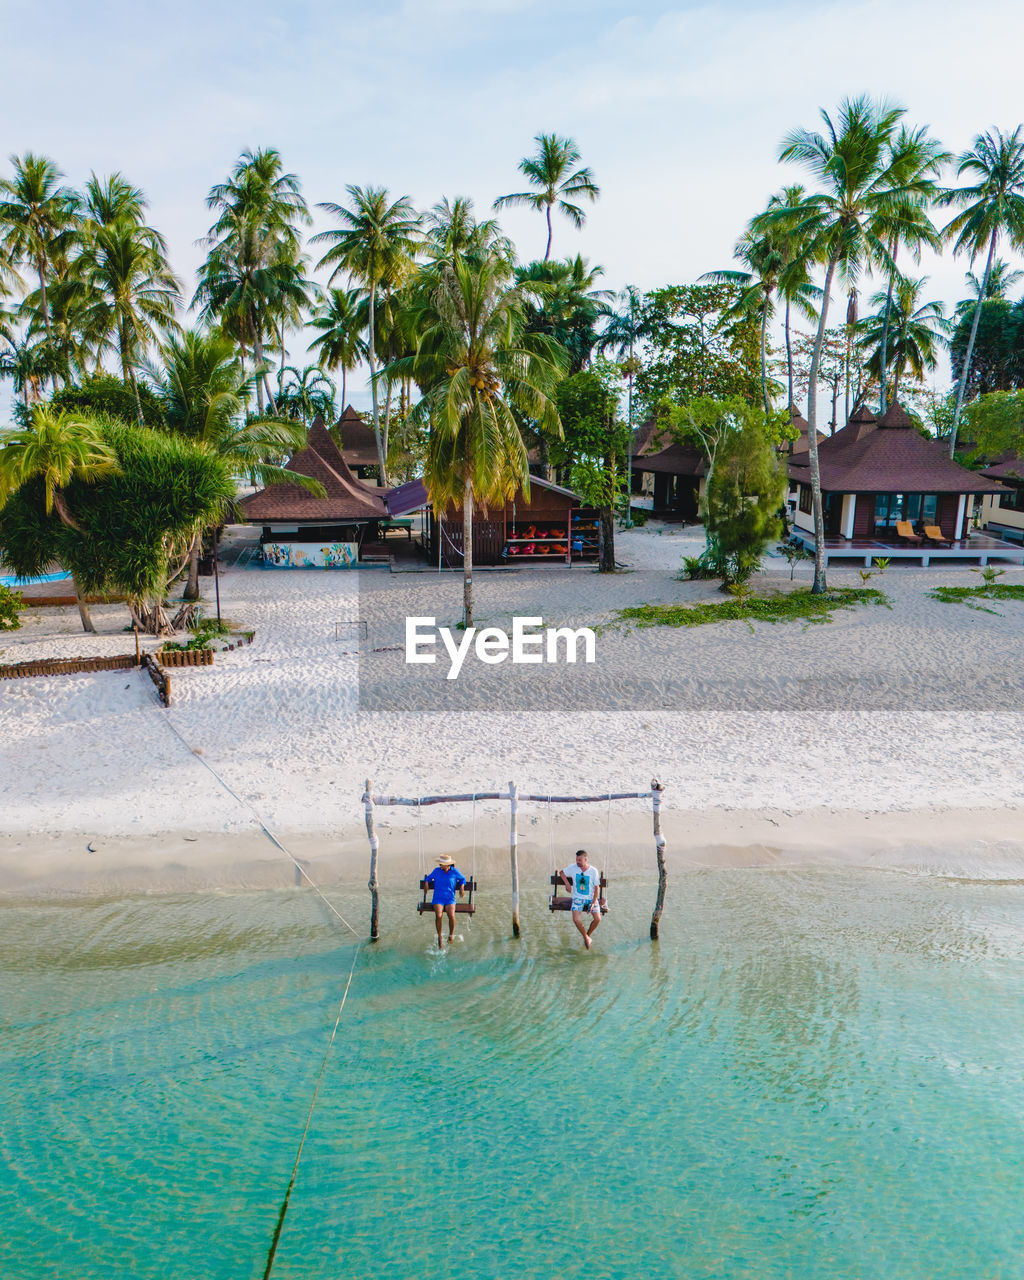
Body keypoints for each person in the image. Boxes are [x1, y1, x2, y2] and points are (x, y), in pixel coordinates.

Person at [559, 849, 602, 950]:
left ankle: (587, 935)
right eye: (577, 860)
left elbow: (597, 888)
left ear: (585, 859)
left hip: (590, 899)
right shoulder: (573, 867)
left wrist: (593, 902)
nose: (577, 862)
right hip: (578, 898)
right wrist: (567, 884)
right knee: (576, 919)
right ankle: (586, 938)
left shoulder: (593, 871)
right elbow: (561, 873)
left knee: (598, 919)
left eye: (580, 860)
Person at [425, 853, 466, 950]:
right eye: (440, 863)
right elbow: (428, 878)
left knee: (451, 916)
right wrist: (426, 883)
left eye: (442, 863)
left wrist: (462, 887)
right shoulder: (436, 871)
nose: (440, 865)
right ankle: (439, 937)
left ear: (447, 865)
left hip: (450, 899)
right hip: (438, 898)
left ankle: (451, 935)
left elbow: (463, 879)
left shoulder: (454, 871)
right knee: (439, 915)